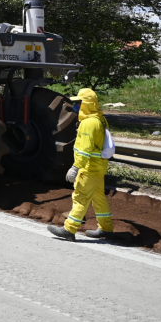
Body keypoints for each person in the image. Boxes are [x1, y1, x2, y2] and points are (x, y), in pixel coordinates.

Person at [47, 88, 114, 241]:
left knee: (80, 197)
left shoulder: (88, 123)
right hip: (99, 166)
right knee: (99, 198)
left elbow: (84, 149)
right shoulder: (100, 119)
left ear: (87, 104)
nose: (76, 106)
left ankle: (69, 229)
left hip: (89, 167)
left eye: (79, 102)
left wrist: (75, 167)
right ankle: (106, 228)